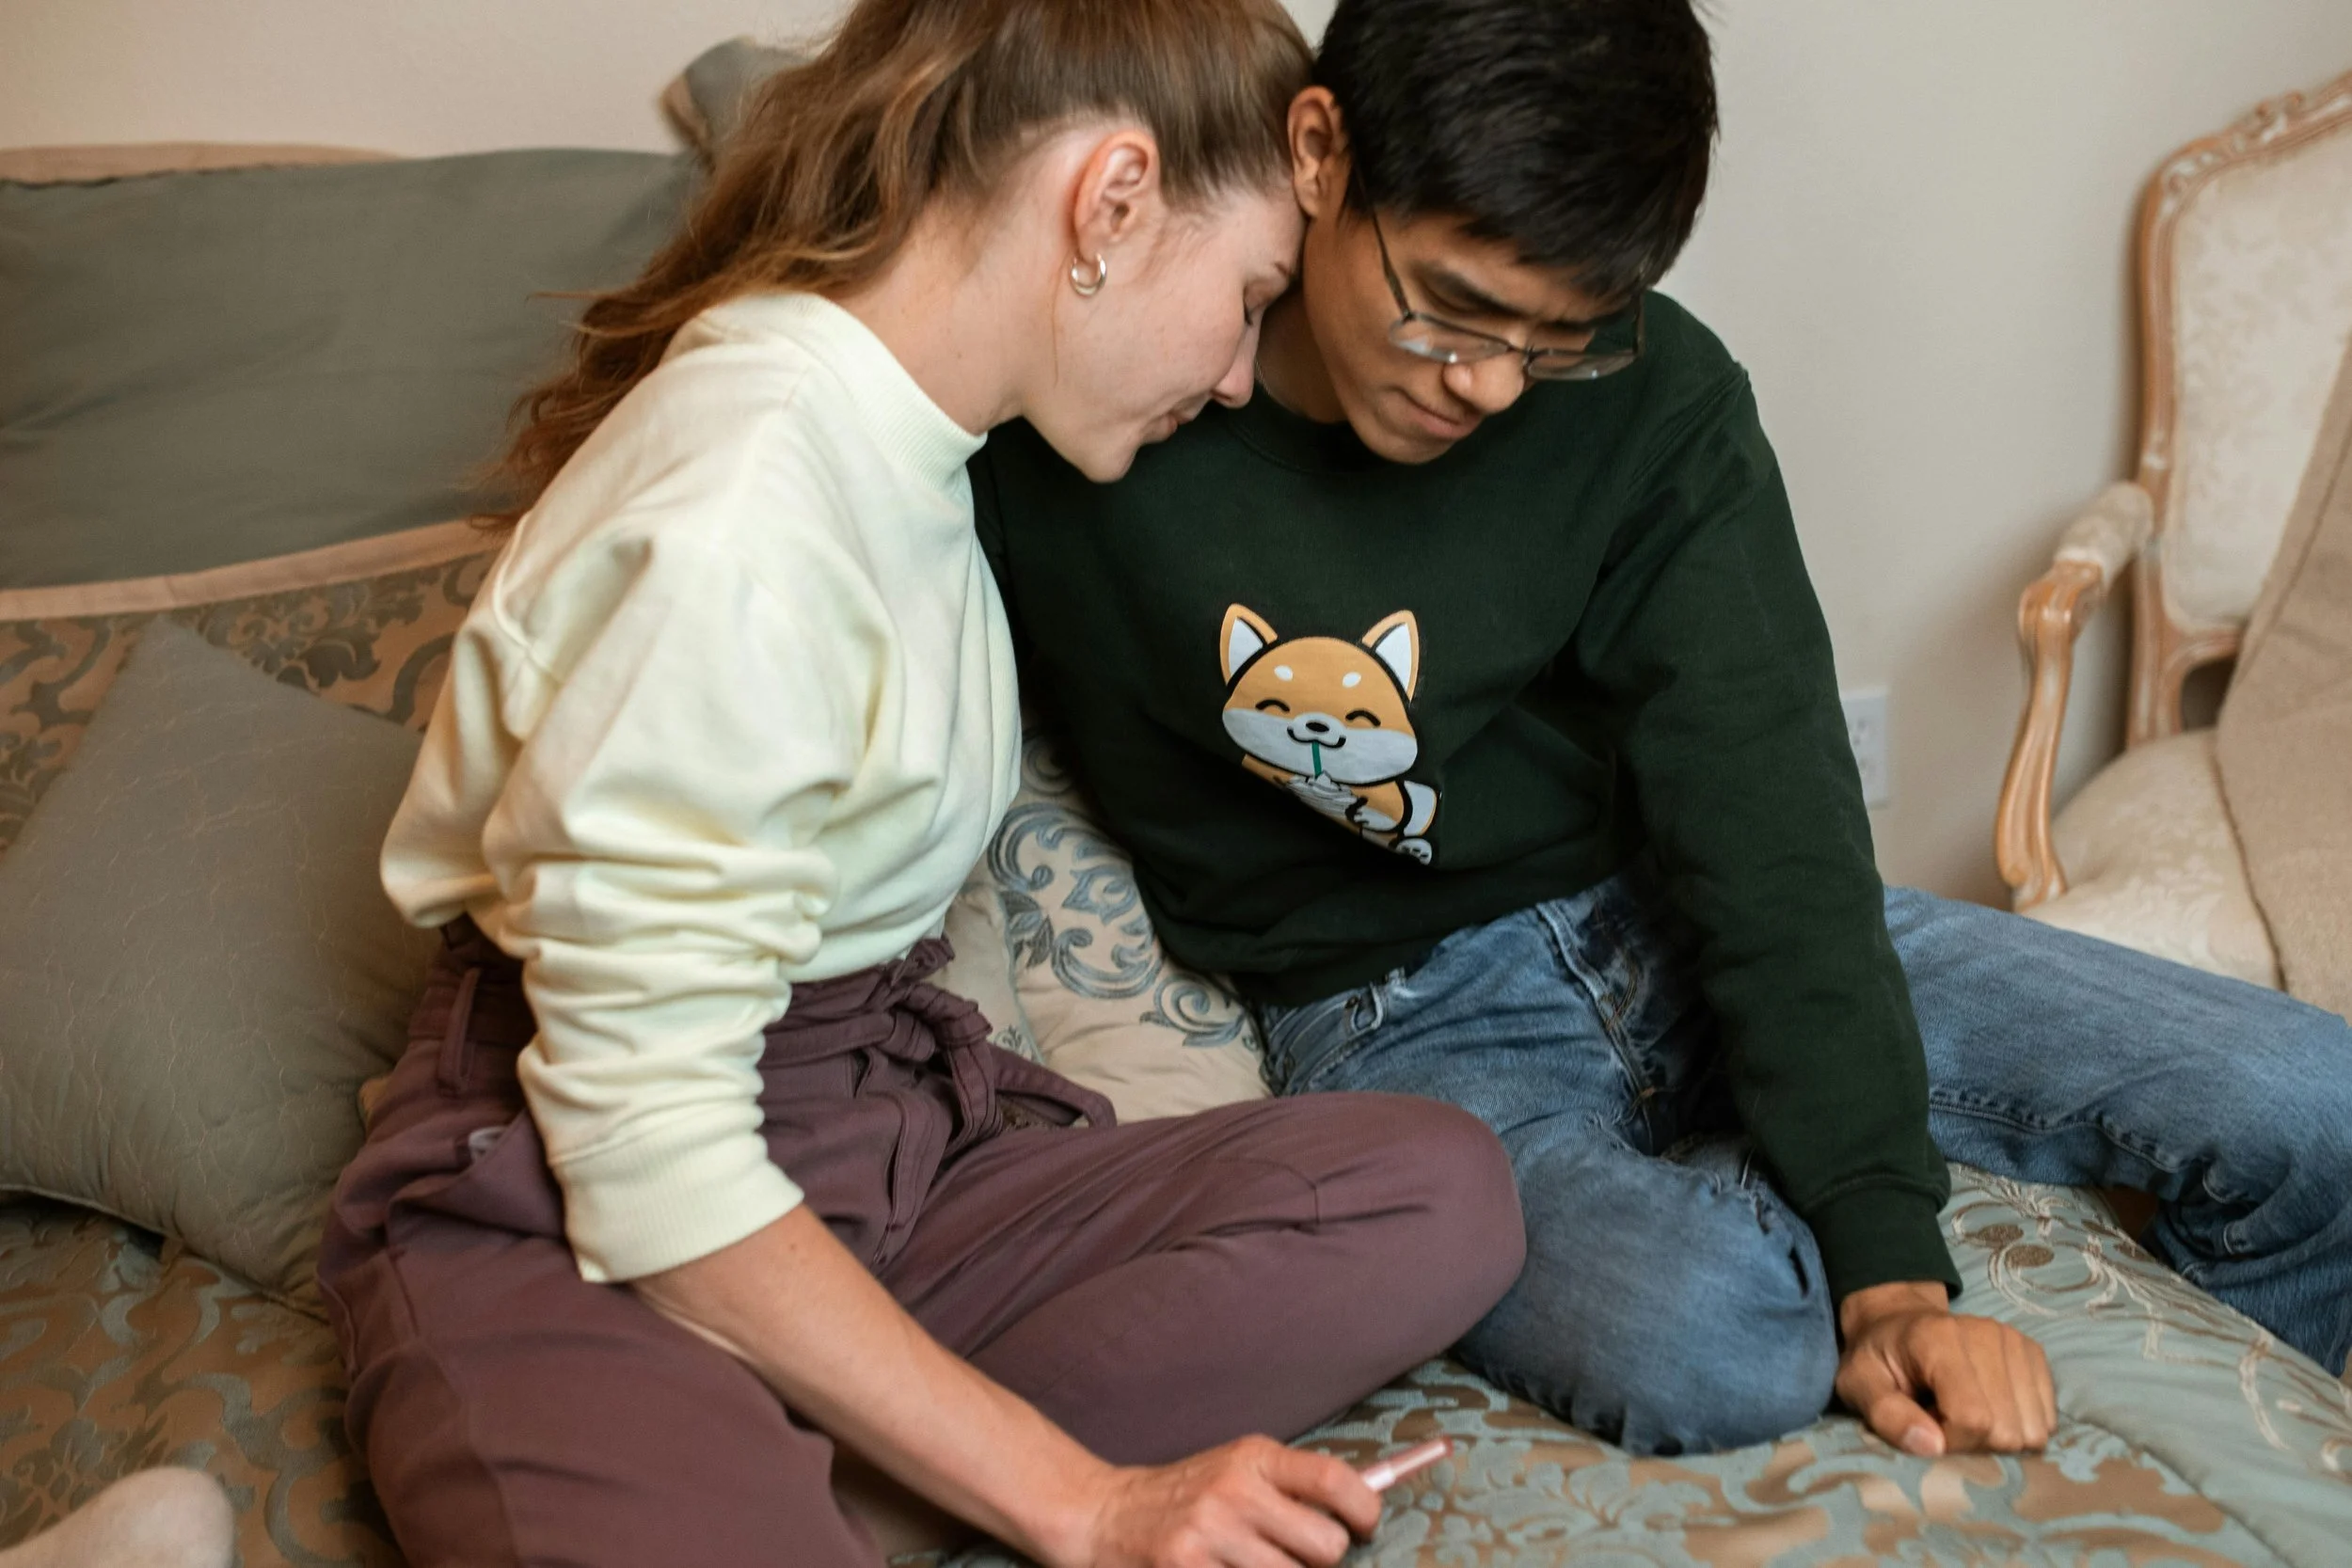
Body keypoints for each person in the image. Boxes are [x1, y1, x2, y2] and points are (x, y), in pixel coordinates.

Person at [973, 0, 2352, 1463]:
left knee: (2316, 1105)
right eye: (1450, 308)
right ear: (1321, 153)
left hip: (1669, 915)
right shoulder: (1087, 399)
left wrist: (1894, 1269)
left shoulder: (1657, 393)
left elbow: (1772, 820)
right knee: (1720, 1337)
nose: (1490, 383)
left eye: (1553, 340)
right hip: (1406, 1020)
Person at [319, 4, 1528, 1565]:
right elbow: (643, 1142)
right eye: (1248, 300)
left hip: (867, 1150)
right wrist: (1094, 1503)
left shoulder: (920, 449)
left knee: (1434, 1189)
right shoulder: (743, 514)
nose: (1238, 376)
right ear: (1108, 202)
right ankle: (773, 1456)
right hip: (576, 1209)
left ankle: (817, 1449)